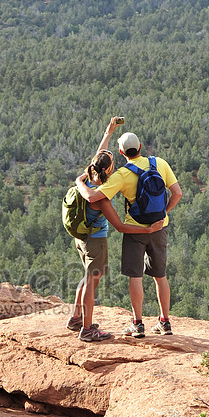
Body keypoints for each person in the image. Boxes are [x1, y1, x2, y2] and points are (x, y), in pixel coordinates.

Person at [76, 129, 181, 338]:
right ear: (140, 147)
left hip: (135, 229)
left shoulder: (123, 175)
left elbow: (95, 196)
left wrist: (79, 181)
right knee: (160, 276)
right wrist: (162, 215)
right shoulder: (160, 163)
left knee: (136, 275)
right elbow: (177, 193)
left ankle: (138, 324)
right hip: (160, 227)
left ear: (122, 152)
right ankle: (165, 322)